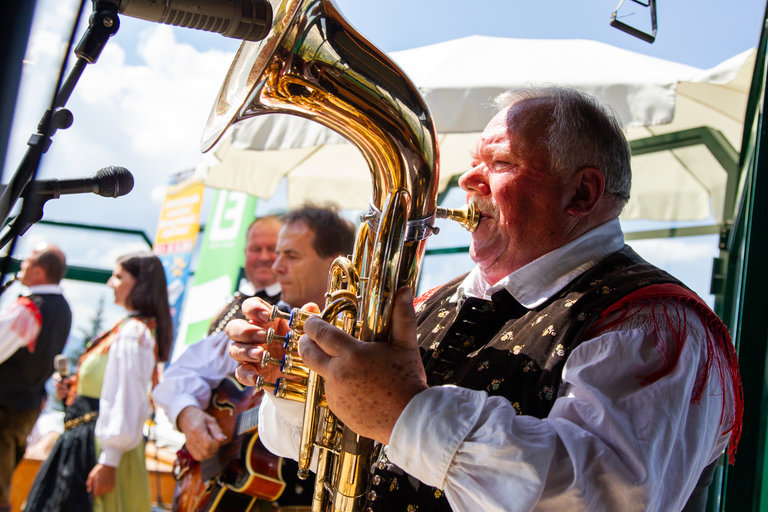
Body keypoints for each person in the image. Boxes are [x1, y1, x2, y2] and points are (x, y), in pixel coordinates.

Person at [227, 88, 743, 512]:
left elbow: (603, 498)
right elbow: (329, 456)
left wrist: (408, 412)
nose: (469, 180)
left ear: (582, 194)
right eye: (474, 162)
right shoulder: (433, 301)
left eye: (500, 161)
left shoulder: (651, 322)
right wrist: (302, 382)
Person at [152, 206, 355, 510]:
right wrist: (188, 414)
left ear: (336, 264)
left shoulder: (360, 337)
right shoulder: (260, 322)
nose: (276, 267)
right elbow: (179, 374)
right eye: (276, 254)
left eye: (291, 256)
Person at [25, 251, 172, 512]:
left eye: (118, 276)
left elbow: (129, 399)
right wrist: (74, 388)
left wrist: (109, 460)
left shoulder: (133, 333)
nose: (110, 283)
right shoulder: (130, 329)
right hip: (88, 444)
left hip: (97, 451)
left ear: (140, 283)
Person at [0, 243, 71, 512]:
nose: (21, 266)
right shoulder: (63, 309)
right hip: (27, 407)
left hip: (4, 405)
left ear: (39, 271)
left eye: (27, 262)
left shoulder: (28, 308)